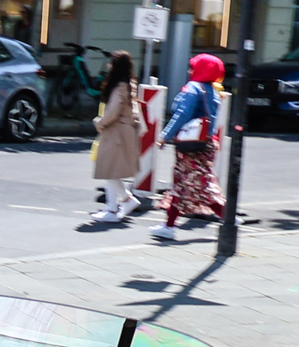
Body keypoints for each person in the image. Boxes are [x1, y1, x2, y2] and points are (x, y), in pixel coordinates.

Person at [150, 52, 226, 241]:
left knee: (198, 186)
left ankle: (229, 219)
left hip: (190, 147)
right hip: (204, 143)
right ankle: (168, 226)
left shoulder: (193, 88)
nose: (189, 70)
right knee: (184, 184)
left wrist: (164, 135)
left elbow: (181, 115)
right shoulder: (212, 91)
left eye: (192, 66)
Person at [89, 51, 140, 224]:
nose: (109, 66)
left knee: (110, 169)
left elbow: (113, 111)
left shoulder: (119, 86)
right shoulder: (128, 84)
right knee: (111, 171)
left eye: (111, 63)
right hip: (121, 131)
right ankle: (120, 203)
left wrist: (100, 122)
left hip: (116, 131)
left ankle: (115, 206)